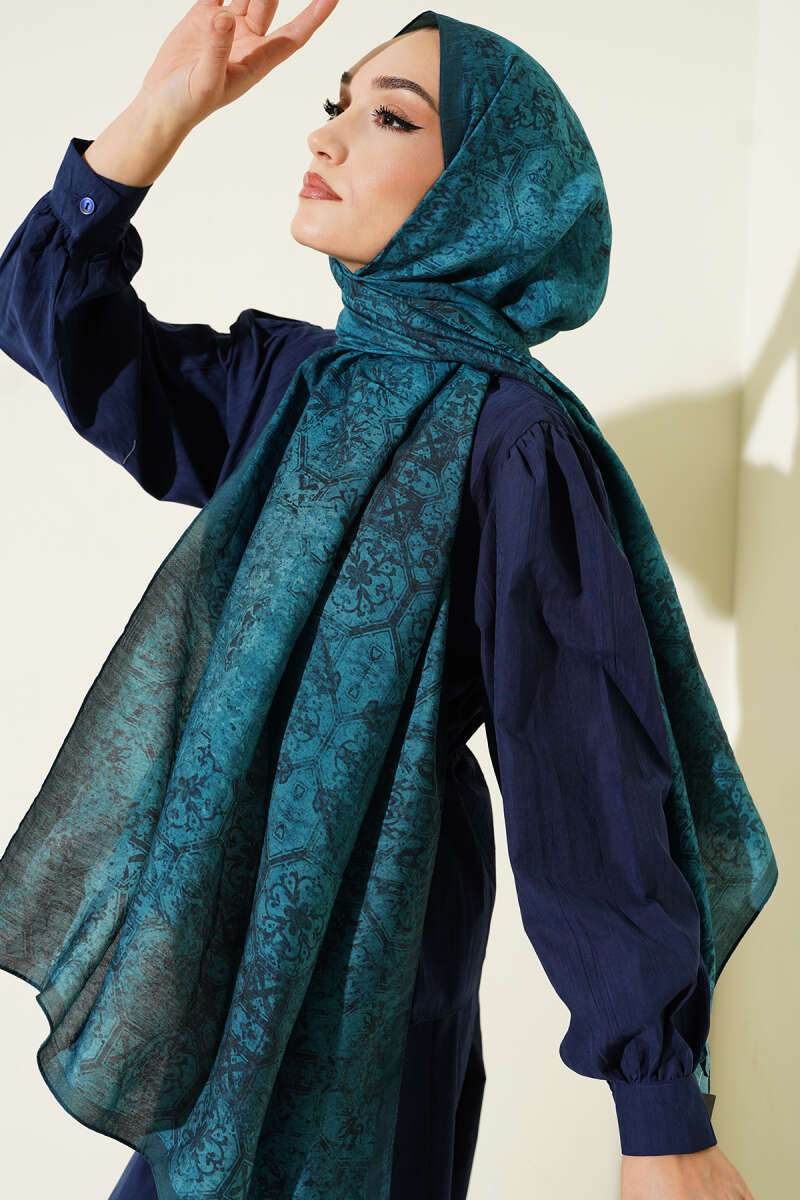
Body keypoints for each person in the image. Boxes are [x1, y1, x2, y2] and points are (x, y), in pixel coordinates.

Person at [0, 5, 773, 1199]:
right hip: (226, 916)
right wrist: (163, 110)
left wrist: (659, 1120)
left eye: (391, 119)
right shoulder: (292, 383)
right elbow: (54, 320)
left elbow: (584, 770)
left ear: (483, 192)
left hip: (382, 929)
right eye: (335, 106)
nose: (327, 138)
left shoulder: (517, 444)